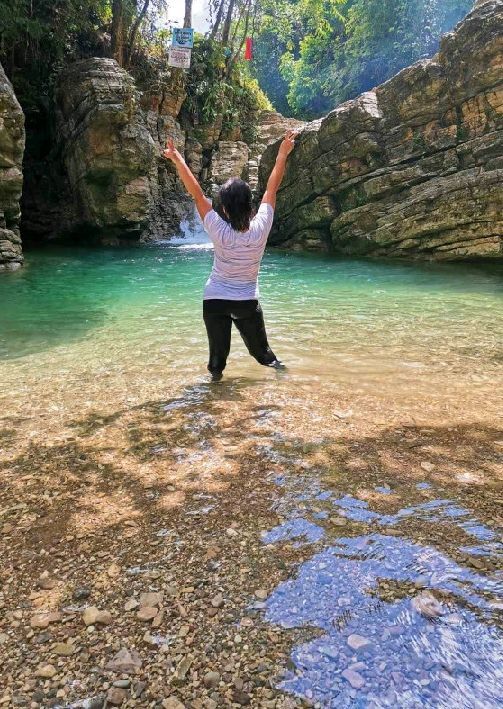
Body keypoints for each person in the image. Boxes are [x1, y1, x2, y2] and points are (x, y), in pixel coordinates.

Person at [163, 130, 296, 381]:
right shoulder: (261, 226)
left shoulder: (218, 228)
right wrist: (282, 153)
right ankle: (288, 382)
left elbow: (197, 194)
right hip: (246, 301)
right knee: (264, 355)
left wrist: (177, 159)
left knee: (217, 361)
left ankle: (213, 393)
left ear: (223, 209)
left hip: (214, 300)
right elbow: (272, 188)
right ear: (250, 205)